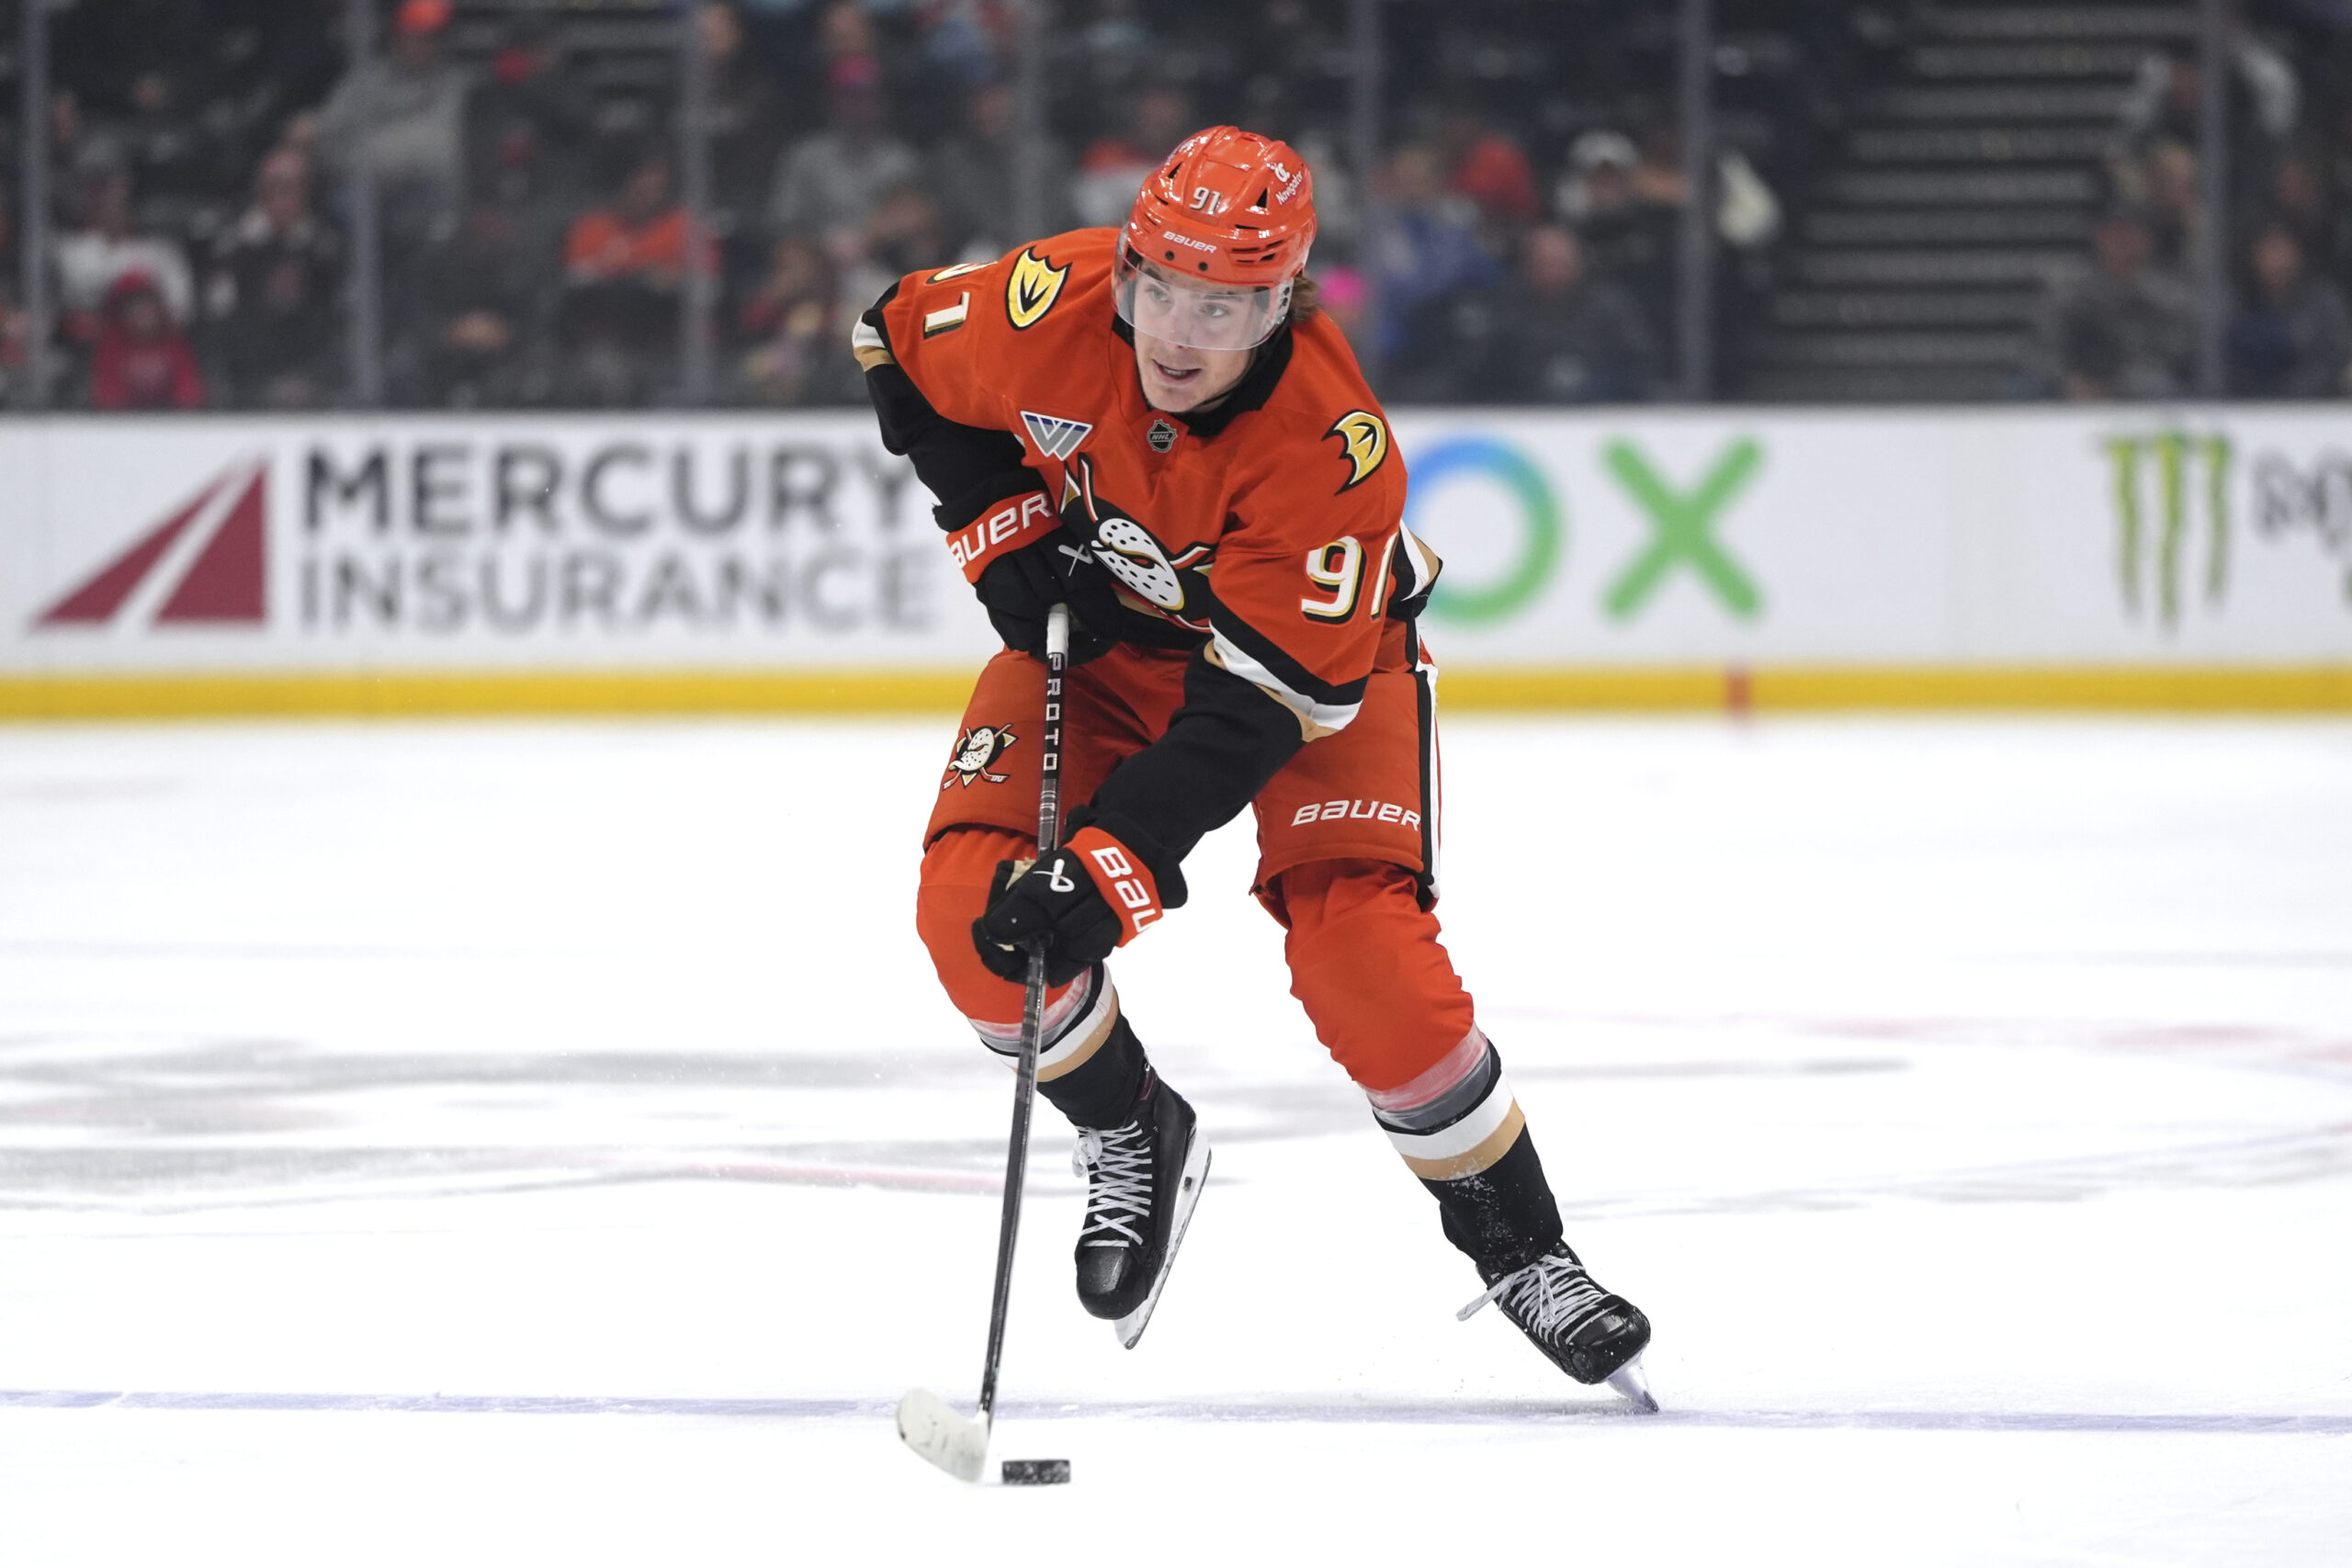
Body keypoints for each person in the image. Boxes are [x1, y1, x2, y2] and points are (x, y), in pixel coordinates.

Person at [852, 127, 1655, 1401]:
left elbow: (1256, 711)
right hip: (1116, 641)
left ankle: (1522, 1249)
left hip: (1309, 685)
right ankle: (1132, 1128)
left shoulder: (1330, 448)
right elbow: (891, 341)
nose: (1179, 331)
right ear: (1122, 267)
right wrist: (1000, 535)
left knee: (1365, 963)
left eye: (1224, 305)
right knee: (969, 916)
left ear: (1286, 300)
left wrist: (1109, 865)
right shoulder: (1046, 304)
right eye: (1161, 287)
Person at [205, 146, 345, 407]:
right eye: (274, 185)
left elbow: (336, 322)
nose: (282, 195)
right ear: (261, 190)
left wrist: (312, 378)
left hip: (313, 386)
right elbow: (219, 322)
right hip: (246, 387)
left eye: (292, 185)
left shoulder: (327, 250)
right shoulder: (233, 248)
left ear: (307, 191)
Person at [2226, 223, 2352, 398]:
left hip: (2316, 405)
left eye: (2281, 250)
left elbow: (2336, 359)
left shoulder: (2323, 303)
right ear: (2255, 257)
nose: (2275, 261)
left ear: (2297, 253)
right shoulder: (2240, 302)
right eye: (2268, 251)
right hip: (2250, 406)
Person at [89, 269, 205, 410]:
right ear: (121, 313)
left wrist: (182, 407)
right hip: (123, 422)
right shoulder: (112, 343)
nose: (140, 316)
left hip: (168, 418)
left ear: (157, 309)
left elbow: (188, 385)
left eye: (146, 308)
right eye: (132, 309)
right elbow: (107, 390)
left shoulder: (172, 340)